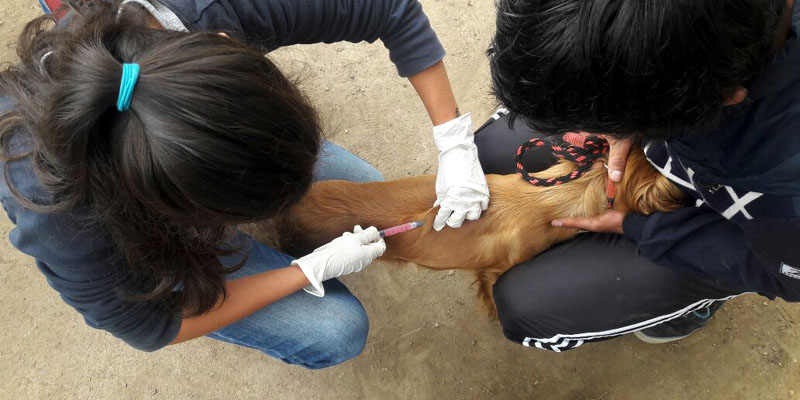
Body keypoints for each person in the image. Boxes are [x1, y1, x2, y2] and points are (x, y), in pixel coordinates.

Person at [0, 0, 487, 369]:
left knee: (366, 187)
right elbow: (147, 327)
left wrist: (455, 142)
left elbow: (389, 10)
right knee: (336, 331)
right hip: (118, 219)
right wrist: (307, 271)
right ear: (184, 213)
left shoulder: (212, 11)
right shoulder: (59, 215)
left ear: (228, 43)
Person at [474, 0, 799, 351]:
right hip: (694, 99)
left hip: (750, 232)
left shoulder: (782, 193)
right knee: (487, 150)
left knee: (525, 306)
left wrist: (643, 228)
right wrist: (625, 126)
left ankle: (692, 303)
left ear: (723, 100)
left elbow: (789, 277)